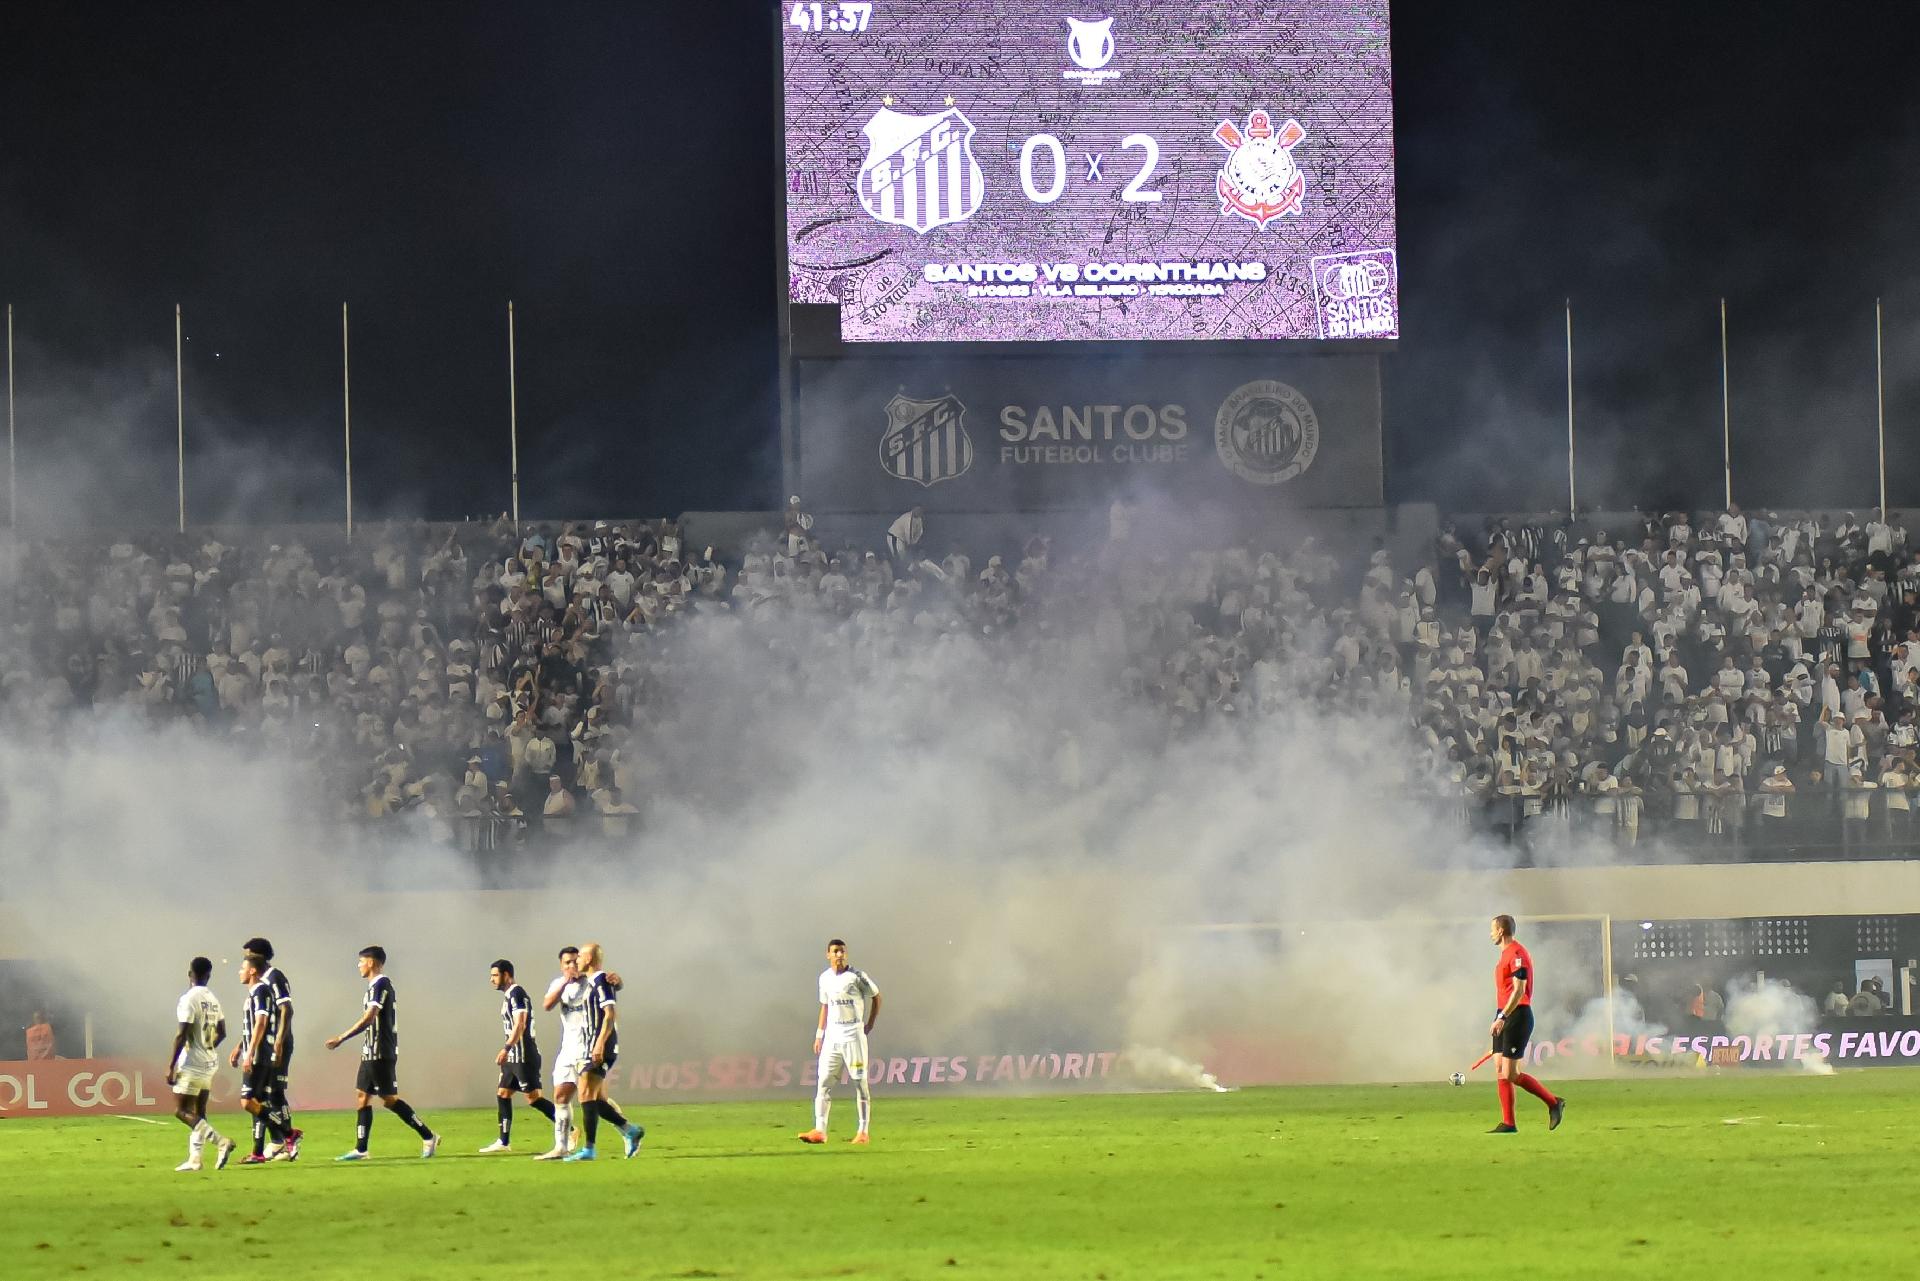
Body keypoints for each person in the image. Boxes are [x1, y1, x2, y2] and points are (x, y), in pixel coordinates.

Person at [325, 946, 439, 1160]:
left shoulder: (381, 984)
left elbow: (370, 1017)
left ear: (371, 962)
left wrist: (341, 1037)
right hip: (369, 1051)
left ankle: (428, 1135)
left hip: (380, 1051)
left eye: (361, 961)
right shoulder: (372, 986)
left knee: (389, 1099)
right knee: (362, 1096)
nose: (359, 965)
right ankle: (361, 1149)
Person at [1487, 915, 1564, 1134]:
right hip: (1503, 1013)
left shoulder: (1517, 954)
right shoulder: (1505, 955)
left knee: (1510, 1073)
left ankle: (1554, 1102)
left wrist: (1503, 1017)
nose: (1490, 934)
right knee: (1499, 1067)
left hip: (1517, 1015)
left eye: (1492, 929)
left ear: (1501, 931)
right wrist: (1499, 1016)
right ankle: (1508, 1123)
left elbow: (1519, 991)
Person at [799, 938, 881, 1146]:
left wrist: (870, 1024)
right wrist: (819, 1035)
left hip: (853, 1035)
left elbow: (876, 997)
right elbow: (825, 1006)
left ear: (846, 954)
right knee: (823, 1082)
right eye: (835, 951)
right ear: (828, 954)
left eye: (842, 951)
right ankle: (820, 1130)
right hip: (832, 1037)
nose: (839, 955)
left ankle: (863, 1131)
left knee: (859, 1082)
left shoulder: (857, 976)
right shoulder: (824, 978)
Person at [568, 942, 644, 1161]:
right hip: (590, 1045)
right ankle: (630, 1130)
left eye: (580, 957)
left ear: (589, 959)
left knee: (585, 1094)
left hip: (601, 1046)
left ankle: (589, 1149)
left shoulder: (601, 980)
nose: (577, 961)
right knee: (597, 1100)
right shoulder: (592, 982)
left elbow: (610, 1013)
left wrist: (600, 1043)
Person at [479, 959, 556, 1153]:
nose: (491, 980)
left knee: (534, 1098)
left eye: (495, 975)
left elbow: (520, 1024)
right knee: (503, 1093)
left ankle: (570, 1129)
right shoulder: (509, 996)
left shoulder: (517, 993)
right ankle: (504, 1142)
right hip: (513, 1056)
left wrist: (506, 1048)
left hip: (523, 1054)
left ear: (506, 975)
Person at [166, 957, 236, 1172]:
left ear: (190, 974)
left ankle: (221, 1142)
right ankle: (195, 1159)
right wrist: (208, 1047)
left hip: (192, 1062)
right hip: (209, 1061)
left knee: (181, 1110)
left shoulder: (188, 999)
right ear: (209, 975)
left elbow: (182, 1034)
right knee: (200, 1111)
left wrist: (171, 1066)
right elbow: (222, 1032)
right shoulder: (213, 999)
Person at [230, 953, 296, 1164]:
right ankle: (258, 1152)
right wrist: (240, 1046)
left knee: (248, 1102)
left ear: (252, 970)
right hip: (260, 1053)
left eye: (243, 967)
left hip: (259, 1055)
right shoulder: (257, 992)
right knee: (257, 1102)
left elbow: (261, 1022)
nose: (239, 972)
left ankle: (288, 1133)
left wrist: (249, 1053)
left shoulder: (260, 990)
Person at [242, 936, 301, 1154]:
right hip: (264, 1042)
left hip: (276, 1044)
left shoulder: (274, 977)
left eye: (248, 955)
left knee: (273, 1092)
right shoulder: (259, 984)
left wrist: (279, 1041)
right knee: (264, 1096)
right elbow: (257, 1020)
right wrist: (241, 1045)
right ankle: (278, 1141)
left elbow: (286, 1009)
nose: (245, 959)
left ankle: (284, 1141)